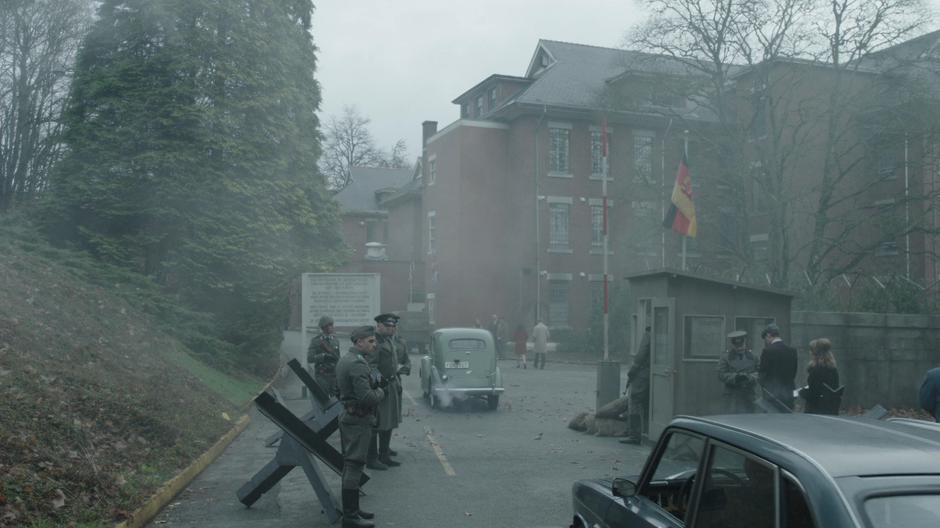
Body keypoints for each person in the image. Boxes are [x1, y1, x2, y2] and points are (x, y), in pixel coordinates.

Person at [335, 326, 385, 528]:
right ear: (359, 342)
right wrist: (381, 391)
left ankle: (353, 510)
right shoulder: (357, 364)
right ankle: (350, 517)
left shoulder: (347, 358)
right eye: (371, 341)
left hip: (350, 416)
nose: (374, 345)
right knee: (354, 465)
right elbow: (368, 398)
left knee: (350, 464)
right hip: (358, 420)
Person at [367, 313, 404, 470]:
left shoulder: (388, 340)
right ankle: (373, 458)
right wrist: (379, 386)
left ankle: (384, 453)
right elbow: (371, 366)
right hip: (382, 388)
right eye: (388, 326)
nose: (391, 329)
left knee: (389, 421)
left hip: (391, 384)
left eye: (393, 326)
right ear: (379, 326)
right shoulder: (375, 342)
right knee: (377, 423)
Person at [758, 323, 798, 411]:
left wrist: (763, 385)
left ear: (768, 335)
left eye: (765, 339)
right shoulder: (792, 351)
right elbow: (794, 373)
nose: (766, 342)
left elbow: (762, 374)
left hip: (772, 395)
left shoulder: (767, 351)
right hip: (789, 394)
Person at [621, 326, 651, 444]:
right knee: (647, 404)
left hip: (643, 373)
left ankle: (634, 435)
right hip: (651, 373)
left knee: (635, 401)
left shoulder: (648, 334)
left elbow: (641, 355)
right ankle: (647, 432)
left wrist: (632, 371)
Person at [717, 330, 758, 413]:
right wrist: (735, 377)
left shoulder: (754, 356)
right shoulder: (725, 357)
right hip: (732, 396)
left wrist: (749, 377)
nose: (740, 348)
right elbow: (721, 374)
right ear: (733, 344)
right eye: (737, 346)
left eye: (741, 345)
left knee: (749, 420)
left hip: (748, 395)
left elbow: (760, 372)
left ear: (745, 342)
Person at [800, 338, 841, 415]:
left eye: (811, 351)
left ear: (815, 354)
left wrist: (802, 392)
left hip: (816, 409)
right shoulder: (833, 369)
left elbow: (813, 394)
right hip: (831, 407)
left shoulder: (816, 371)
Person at [307, 315, 341, 396]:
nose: (331, 327)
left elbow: (338, 358)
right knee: (323, 399)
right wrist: (323, 356)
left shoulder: (335, 340)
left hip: (334, 375)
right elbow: (310, 358)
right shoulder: (316, 341)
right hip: (322, 375)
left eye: (332, 325)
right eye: (329, 325)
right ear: (323, 327)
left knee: (336, 400)